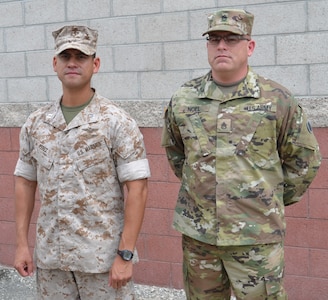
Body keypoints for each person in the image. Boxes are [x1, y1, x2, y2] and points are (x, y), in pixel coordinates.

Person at [161, 8, 321, 300]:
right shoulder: (184, 99)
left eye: (231, 39)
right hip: (200, 238)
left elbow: (304, 161)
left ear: (250, 46)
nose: (221, 46)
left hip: (256, 240)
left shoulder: (277, 99)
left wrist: (266, 199)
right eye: (214, 39)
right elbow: (177, 154)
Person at [13, 25, 150, 300]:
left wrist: (125, 254)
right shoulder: (36, 124)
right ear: (55, 63)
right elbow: (25, 182)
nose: (72, 63)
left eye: (81, 56)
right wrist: (21, 244)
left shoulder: (116, 122)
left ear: (95, 64)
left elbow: (138, 189)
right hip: (52, 260)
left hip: (101, 263)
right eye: (66, 56)